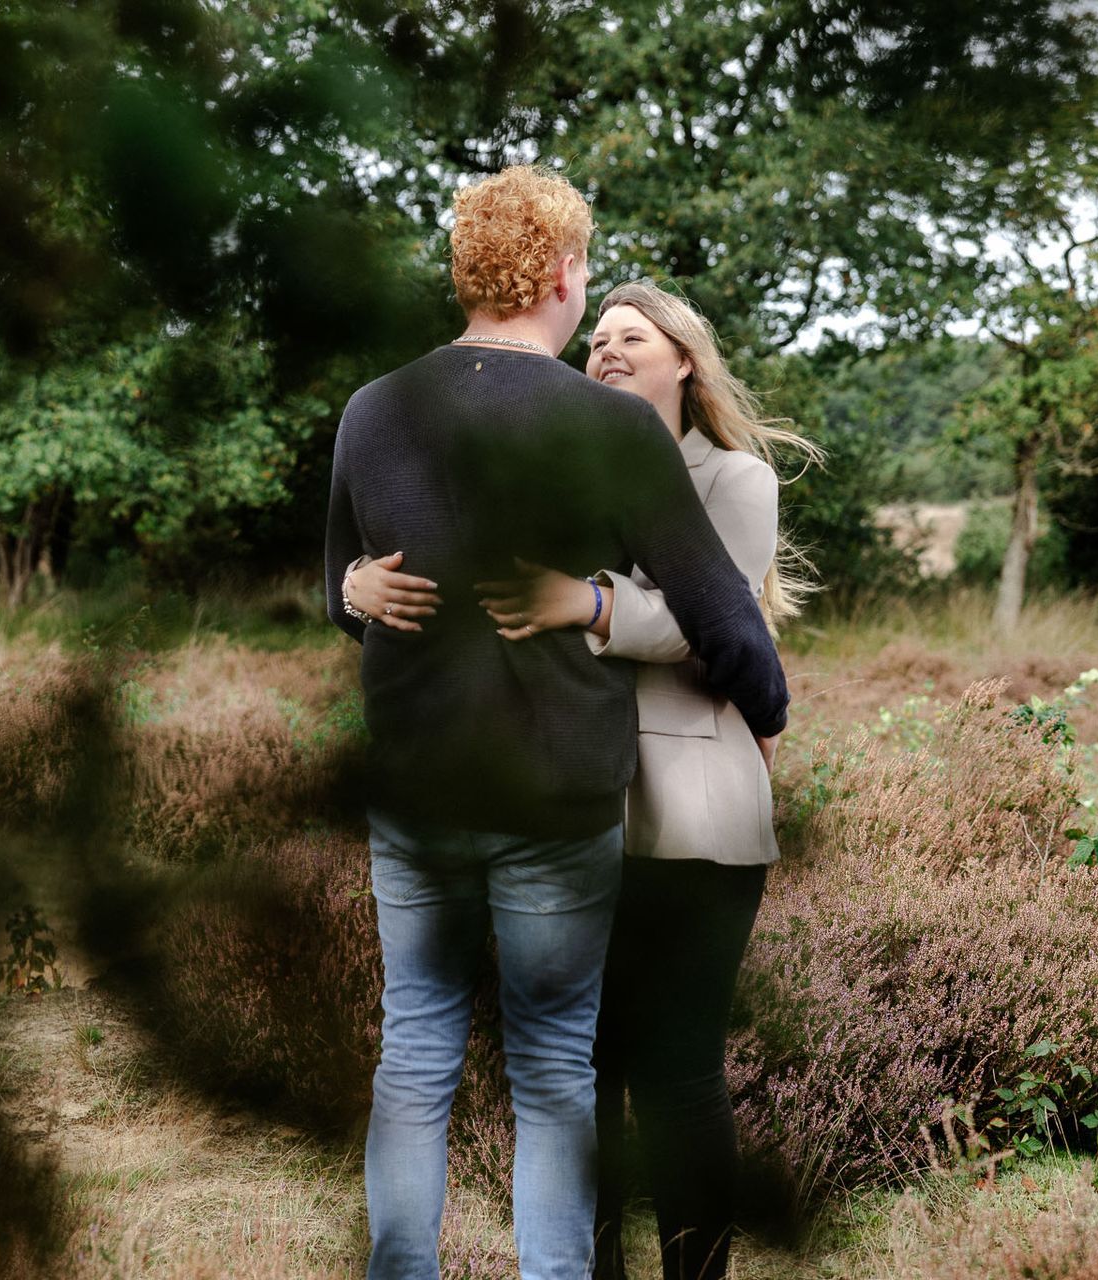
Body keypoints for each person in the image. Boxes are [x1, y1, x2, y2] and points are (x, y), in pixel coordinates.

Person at [325, 166, 789, 1280]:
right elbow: (727, 616)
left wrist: (348, 593)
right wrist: (765, 706)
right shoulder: (608, 429)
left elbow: (341, 584)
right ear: (562, 272)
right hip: (559, 792)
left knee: (415, 1052)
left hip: (418, 790)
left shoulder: (373, 409)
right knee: (552, 1069)